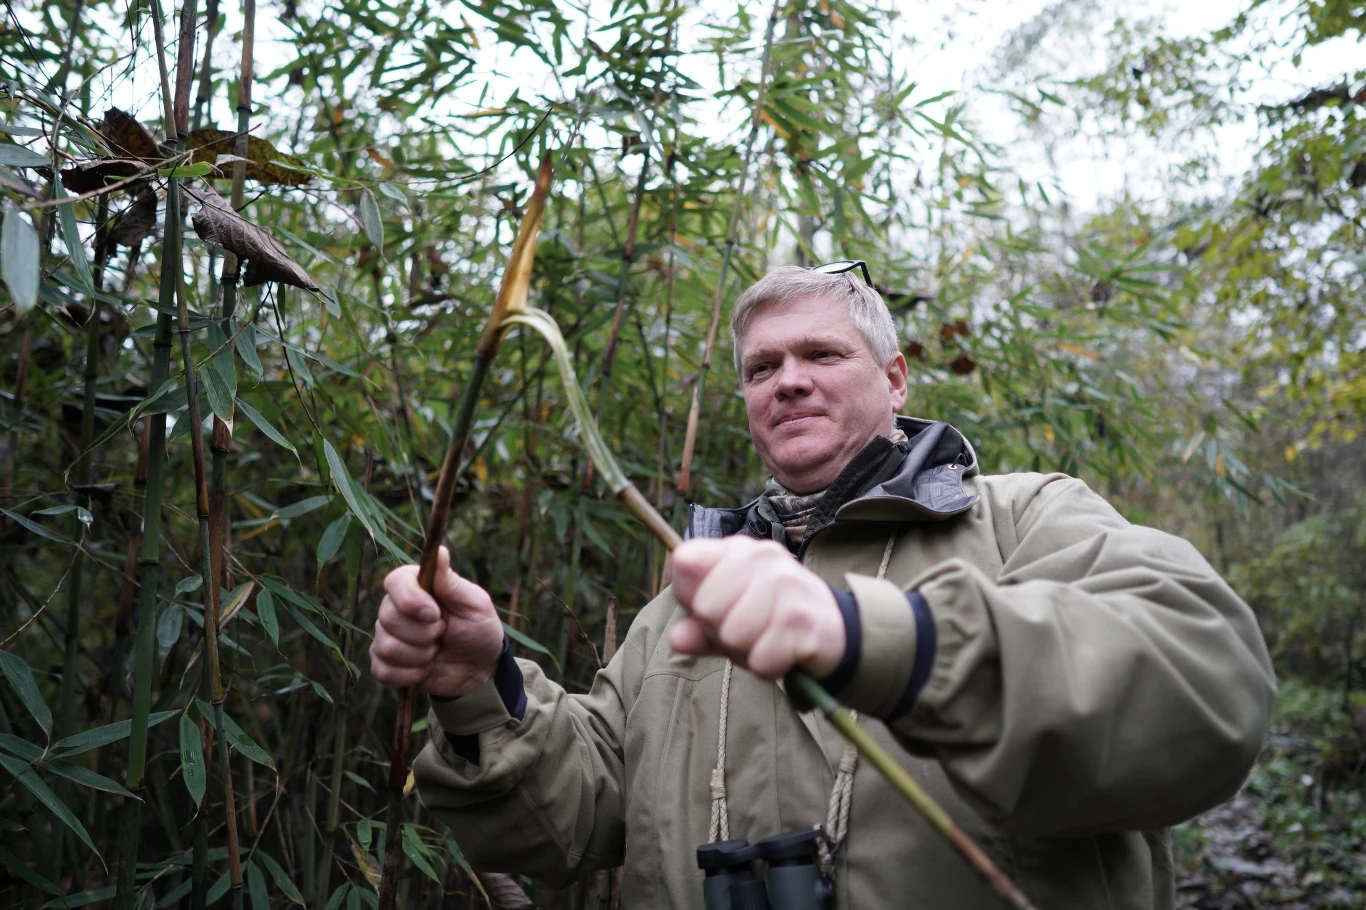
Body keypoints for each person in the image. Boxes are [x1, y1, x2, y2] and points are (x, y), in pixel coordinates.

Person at [369, 262, 1276, 909]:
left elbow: (1207, 686)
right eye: (762, 369)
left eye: (821, 356)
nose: (788, 381)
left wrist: (881, 640)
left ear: (893, 377)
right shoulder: (687, 601)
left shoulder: (1024, 519)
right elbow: (576, 826)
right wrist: (480, 690)